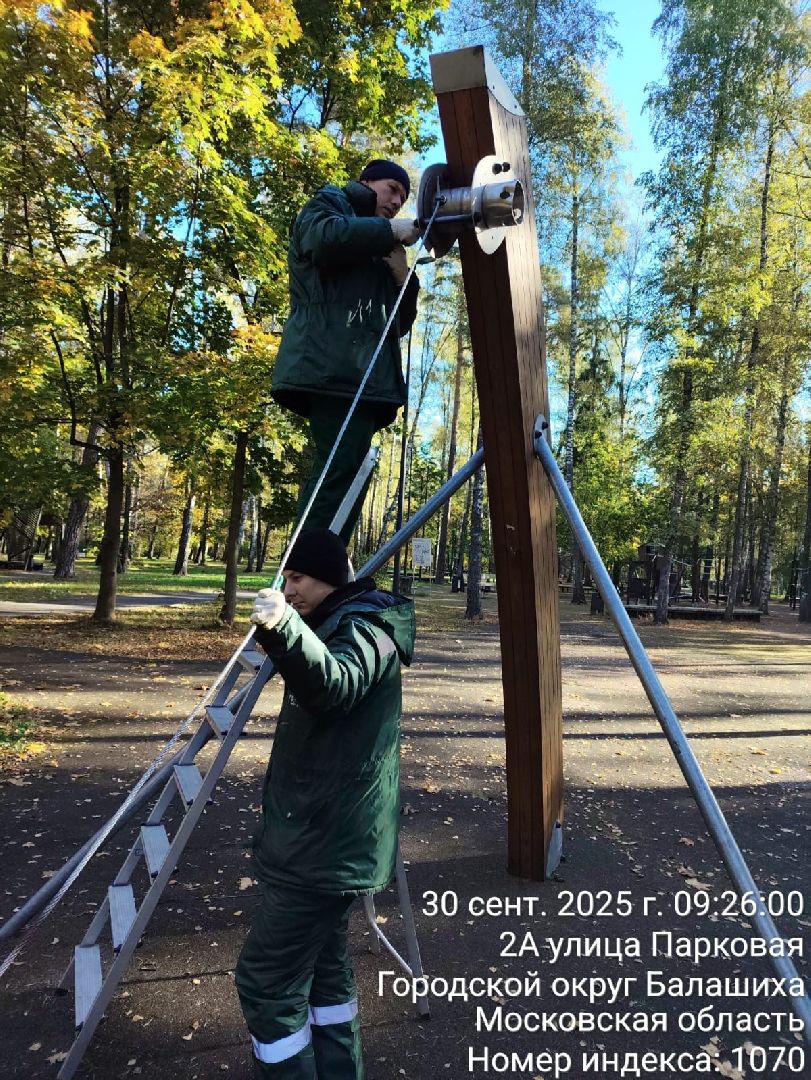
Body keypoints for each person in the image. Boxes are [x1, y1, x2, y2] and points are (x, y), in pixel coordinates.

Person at [235, 528, 416, 1078]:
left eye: (297, 578)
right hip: (321, 838)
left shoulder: (368, 628)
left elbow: (336, 684)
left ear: (329, 578)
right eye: (285, 578)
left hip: (326, 846)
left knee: (267, 980)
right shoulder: (336, 621)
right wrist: (287, 633)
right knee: (325, 973)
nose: (288, 589)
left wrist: (284, 627)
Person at [271, 160, 422, 544]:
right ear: (366, 181)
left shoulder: (380, 247)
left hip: (364, 376)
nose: (397, 202)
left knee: (354, 468)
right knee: (340, 465)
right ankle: (305, 568)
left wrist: (402, 277)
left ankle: (326, 560)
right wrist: (389, 230)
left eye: (403, 199)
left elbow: (398, 324)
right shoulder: (331, 202)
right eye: (392, 189)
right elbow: (323, 239)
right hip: (329, 364)